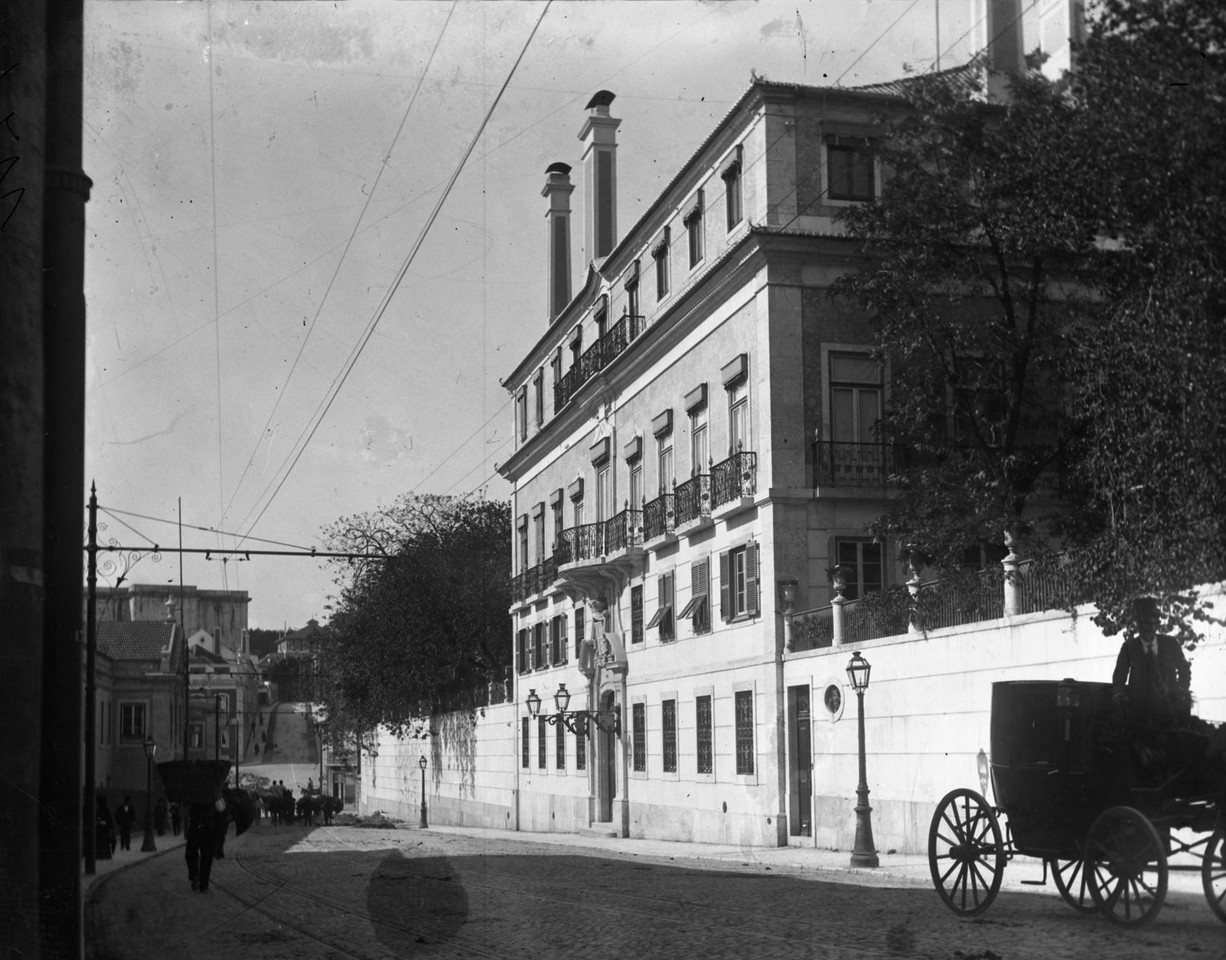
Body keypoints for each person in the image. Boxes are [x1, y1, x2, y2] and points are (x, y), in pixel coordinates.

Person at [1112, 596, 1192, 723]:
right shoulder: (1129, 647)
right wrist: (1119, 695)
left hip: (1169, 711)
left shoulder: (1170, 644)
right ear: (1137, 624)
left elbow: (1184, 669)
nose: (1146, 628)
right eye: (1141, 624)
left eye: (1149, 623)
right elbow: (1119, 675)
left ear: (1156, 624)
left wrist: (1181, 690)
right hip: (1139, 713)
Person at [184, 798, 220, 892]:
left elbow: (185, 810)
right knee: (207, 858)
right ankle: (204, 885)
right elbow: (220, 808)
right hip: (209, 827)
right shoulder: (212, 792)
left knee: (190, 854)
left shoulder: (192, 793)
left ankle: (194, 874)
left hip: (194, 826)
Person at [94, 796, 116, 861]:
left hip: (103, 829)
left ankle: (102, 855)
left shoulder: (101, 810)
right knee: (103, 843)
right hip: (102, 829)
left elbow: (109, 820)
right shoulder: (103, 810)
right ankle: (103, 855)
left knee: (103, 843)